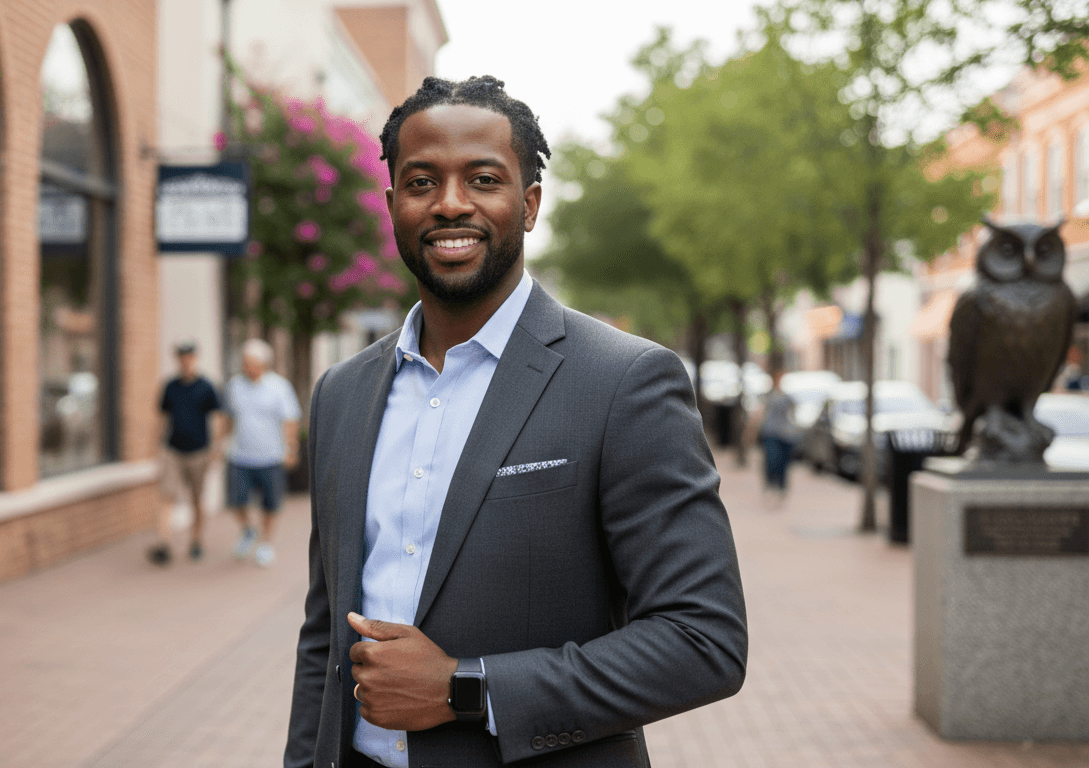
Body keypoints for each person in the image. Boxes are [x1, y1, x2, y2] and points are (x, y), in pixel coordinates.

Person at [286, 76, 747, 768]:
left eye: (482, 179)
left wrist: (464, 689)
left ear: (528, 204)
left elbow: (702, 640)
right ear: (392, 207)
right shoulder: (340, 394)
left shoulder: (623, 382)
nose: (450, 204)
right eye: (421, 182)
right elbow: (324, 637)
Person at [223, 339, 301, 568]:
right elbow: (228, 417)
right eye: (246, 363)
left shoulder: (279, 386)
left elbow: (291, 420)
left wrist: (291, 448)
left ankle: (265, 543)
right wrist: (220, 444)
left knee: (270, 505)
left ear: (265, 364)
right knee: (236, 502)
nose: (249, 368)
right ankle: (248, 531)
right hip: (239, 456)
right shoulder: (235, 385)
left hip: (271, 457)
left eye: (254, 363)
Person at [149, 342, 224, 565]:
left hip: (199, 451)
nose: (185, 361)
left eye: (189, 356)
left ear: (195, 358)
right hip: (173, 450)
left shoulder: (206, 386)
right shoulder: (170, 386)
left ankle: (196, 541)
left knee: (196, 498)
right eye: (181, 357)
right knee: (167, 495)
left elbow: (217, 418)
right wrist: (155, 448)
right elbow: (162, 418)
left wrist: (216, 448)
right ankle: (164, 543)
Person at [756, 369, 799, 506]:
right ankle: (771, 486)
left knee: (783, 463)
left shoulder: (788, 397)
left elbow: (794, 412)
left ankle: (781, 487)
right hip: (771, 433)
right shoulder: (769, 395)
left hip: (786, 435)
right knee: (771, 460)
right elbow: (761, 412)